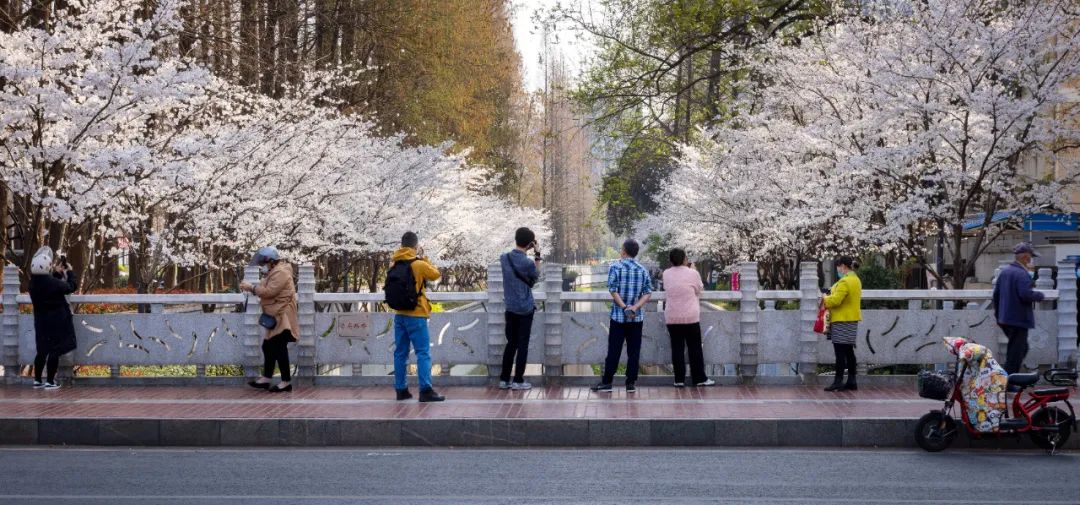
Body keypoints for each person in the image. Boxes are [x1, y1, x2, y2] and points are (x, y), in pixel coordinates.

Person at [388, 232, 445, 402]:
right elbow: (435, 274)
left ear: (401, 245)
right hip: (417, 315)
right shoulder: (419, 264)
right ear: (415, 246)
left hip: (399, 315)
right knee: (423, 353)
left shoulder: (394, 263)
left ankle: (401, 390)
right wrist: (424, 258)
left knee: (400, 353)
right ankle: (425, 390)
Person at [592, 239, 653, 393]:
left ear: (624, 251)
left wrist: (624, 306)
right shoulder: (642, 269)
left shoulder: (615, 267)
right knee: (634, 352)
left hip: (619, 317)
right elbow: (647, 293)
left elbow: (613, 290)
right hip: (636, 317)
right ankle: (630, 383)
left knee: (614, 350)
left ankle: (607, 383)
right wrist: (635, 307)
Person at [240, 246, 300, 393]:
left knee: (279, 348)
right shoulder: (274, 272)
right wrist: (255, 287)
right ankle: (267, 378)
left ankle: (286, 382)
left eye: (264, 263)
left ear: (271, 261)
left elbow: (268, 292)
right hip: (276, 315)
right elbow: (264, 288)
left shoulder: (281, 273)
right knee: (268, 346)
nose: (263, 266)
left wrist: (251, 288)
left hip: (282, 316)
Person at [992, 242, 1045, 378]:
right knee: (1016, 351)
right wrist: (1039, 295)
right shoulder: (1022, 274)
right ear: (1026, 257)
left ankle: (1009, 378)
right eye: (1031, 257)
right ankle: (1009, 381)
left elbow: (996, 295)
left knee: (1018, 349)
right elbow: (1025, 294)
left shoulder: (1006, 272)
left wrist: (998, 316)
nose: (1031, 260)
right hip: (1018, 319)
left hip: (1005, 318)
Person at [662, 248, 714, 387]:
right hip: (690, 316)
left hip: (672, 316)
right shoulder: (693, 273)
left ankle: (679, 379)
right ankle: (699, 379)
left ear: (671, 260)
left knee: (677, 347)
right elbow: (699, 289)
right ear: (685, 259)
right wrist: (693, 270)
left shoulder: (666, 273)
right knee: (695, 348)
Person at [28, 246, 78, 390]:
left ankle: (37, 380)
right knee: (54, 350)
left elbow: (49, 285)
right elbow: (70, 287)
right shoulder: (52, 284)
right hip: (56, 321)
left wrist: (56, 273)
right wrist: (70, 272)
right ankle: (50, 381)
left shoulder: (32, 284)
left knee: (42, 351)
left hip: (40, 321)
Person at [498, 227, 542, 390]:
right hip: (525, 308)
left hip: (510, 307)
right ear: (531, 244)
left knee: (511, 343)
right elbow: (537, 275)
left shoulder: (504, 258)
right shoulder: (527, 263)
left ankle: (504, 380)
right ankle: (518, 380)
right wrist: (537, 254)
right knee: (522, 344)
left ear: (516, 239)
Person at [822, 256, 862, 392]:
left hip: (841, 320)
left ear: (843, 266)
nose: (837, 269)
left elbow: (836, 300)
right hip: (852, 320)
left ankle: (838, 381)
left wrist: (825, 299)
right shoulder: (856, 280)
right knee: (849, 351)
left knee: (839, 353)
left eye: (838, 267)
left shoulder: (845, 281)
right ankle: (852, 380)